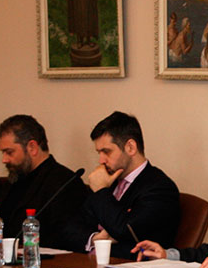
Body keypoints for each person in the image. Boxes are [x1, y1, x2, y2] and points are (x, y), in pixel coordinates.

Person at [76, 111, 181, 259]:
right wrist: (95, 239)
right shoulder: (109, 181)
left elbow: (125, 231)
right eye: (99, 153)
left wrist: (101, 191)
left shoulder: (160, 188)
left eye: (106, 152)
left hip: (128, 267)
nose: (101, 160)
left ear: (130, 147)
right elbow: (71, 227)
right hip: (89, 263)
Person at [0, 115, 89, 250]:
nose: (4, 159)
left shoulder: (64, 182)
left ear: (32, 147)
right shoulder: (15, 179)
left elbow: (65, 237)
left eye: (9, 152)